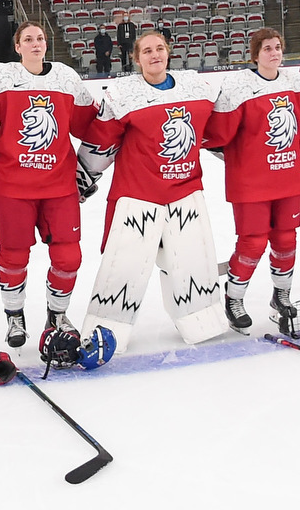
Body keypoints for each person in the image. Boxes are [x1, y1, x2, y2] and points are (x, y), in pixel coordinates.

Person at [76, 28, 222, 351]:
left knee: (191, 263)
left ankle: (201, 320)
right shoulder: (123, 94)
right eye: (147, 51)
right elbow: (102, 141)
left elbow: (215, 132)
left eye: (159, 48)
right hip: (138, 197)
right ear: (137, 58)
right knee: (124, 268)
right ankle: (106, 332)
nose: (155, 55)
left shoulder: (196, 88)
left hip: (186, 194)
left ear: (168, 52)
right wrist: (81, 181)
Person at [0, 22, 98, 348]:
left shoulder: (67, 79)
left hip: (60, 186)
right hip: (12, 187)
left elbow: (93, 127)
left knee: (68, 256)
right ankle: (14, 316)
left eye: (40, 38)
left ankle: (57, 315)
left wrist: (88, 170)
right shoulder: (1, 78)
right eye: (28, 39)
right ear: (18, 47)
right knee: (13, 255)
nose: (35, 43)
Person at [205, 27, 300, 333]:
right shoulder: (238, 86)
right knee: (252, 242)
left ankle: (282, 295)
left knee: (286, 239)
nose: (274, 53)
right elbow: (217, 134)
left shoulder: (295, 83)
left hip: (288, 177)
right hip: (251, 182)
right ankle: (234, 298)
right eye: (267, 48)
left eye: (278, 47)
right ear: (255, 55)